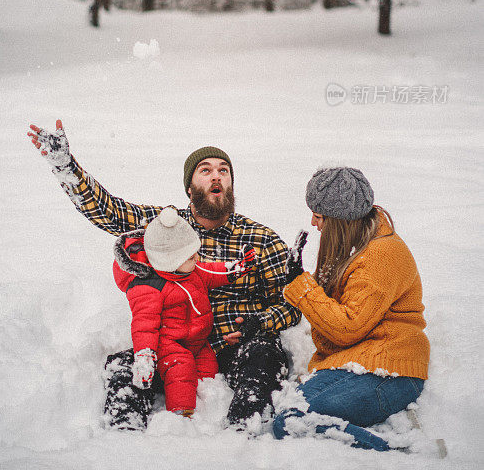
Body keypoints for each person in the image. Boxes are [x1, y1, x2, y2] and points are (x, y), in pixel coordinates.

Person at [27, 120, 300, 430]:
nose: (216, 176)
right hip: (174, 346)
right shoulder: (167, 227)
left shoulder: (260, 238)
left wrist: (259, 324)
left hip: (235, 346)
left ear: (231, 185)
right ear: (190, 188)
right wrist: (67, 168)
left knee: (266, 354)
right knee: (125, 366)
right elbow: (111, 212)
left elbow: (293, 300)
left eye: (224, 170)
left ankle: (243, 433)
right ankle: (122, 437)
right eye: (206, 170)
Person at [274, 167, 430, 451]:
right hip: (361, 363)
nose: (313, 222)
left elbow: (347, 328)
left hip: (390, 372)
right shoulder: (354, 246)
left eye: (319, 216)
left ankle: (397, 451)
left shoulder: (381, 255)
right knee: (290, 413)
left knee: (293, 419)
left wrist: (302, 287)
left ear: (339, 220)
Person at [114, 206, 255, 418]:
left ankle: (210, 407)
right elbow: (144, 325)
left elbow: (213, 272)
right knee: (181, 370)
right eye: (190, 257)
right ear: (169, 261)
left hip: (198, 341)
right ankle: (181, 413)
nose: (197, 259)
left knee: (209, 370)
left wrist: (238, 267)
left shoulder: (190, 271)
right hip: (170, 345)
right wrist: (144, 356)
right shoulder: (149, 287)